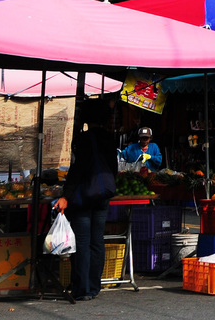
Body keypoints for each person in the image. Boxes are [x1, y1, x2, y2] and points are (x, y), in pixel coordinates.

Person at [57, 97, 119, 301]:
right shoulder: (110, 138)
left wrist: (66, 196)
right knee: (96, 241)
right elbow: (114, 168)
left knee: (82, 242)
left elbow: (77, 170)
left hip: (83, 197)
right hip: (102, 197)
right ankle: (94, 286)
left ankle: (82, 288)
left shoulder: (84, 139)